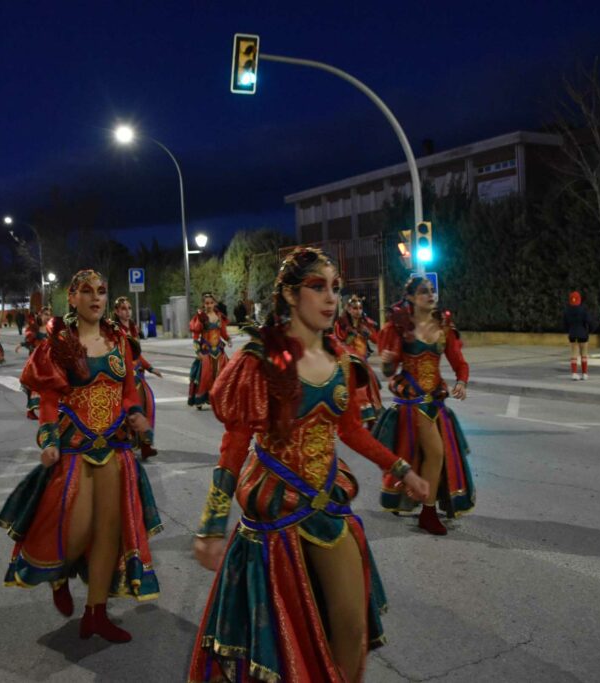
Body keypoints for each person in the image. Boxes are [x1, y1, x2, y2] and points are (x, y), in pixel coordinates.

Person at [189, 247, 428, 683]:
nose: (331, 297)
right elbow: (234, 446)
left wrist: (401, 469)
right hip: (275, 514)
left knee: (352, 627)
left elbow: (351, 431)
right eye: (318, 287)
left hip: (329, 505)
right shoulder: (262, 359)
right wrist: (211, 524)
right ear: (289, 294)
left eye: (335, 287)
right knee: (282, 645)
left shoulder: (342, 360)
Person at [0, 270, 161, 644]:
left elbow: (128, 391)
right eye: (87, 291)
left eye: (101, 291)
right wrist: (49, 440)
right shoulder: (59, 345)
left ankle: (96, 614)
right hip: (75, 449)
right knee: (79, 530)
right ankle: (58, 573)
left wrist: (136, 414)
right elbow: (48, 401)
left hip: (115, 448)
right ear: (72, 298)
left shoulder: (119, 340)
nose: (96, 298)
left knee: (108, 533)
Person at [374, 275, 474, 534]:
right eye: (423, 291)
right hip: (412, 403)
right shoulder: (401, 328)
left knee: (426, 456)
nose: (430, 295)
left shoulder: (444, 328)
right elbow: (389, 371)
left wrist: (462, 382)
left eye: (432, 290)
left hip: (435, 404)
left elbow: (459, 362)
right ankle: (427, 515)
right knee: (436, 453)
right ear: (410, 297)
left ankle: (413, 499)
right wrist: (387, 361)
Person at [113, 296, 162, 459]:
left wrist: (150, 368)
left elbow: (137, 355)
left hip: (137, 374)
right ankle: (125, 444)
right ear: (116, 311)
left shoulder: (133, 328)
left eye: (129, 308)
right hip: (123, 375)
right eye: (123, 309)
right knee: (125, 411)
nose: (127, 312)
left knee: (148, 402)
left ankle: (146, 444)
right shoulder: (113, 330)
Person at [333, 294, 384, 424]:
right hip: (348, 364)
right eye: (355, 308)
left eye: (360, 308)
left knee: (370, 389)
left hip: (363, 363)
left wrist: (368, 332)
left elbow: (376, 339)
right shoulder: (341, 325)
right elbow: (339, 343)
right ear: (348, 309)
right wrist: (351, 335)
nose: (358, 311)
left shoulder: (365, 323)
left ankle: (370, 419)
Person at [188, 292, 231, 410]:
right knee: (205, 376)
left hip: (219, 351)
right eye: (207, 303)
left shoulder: (219, 316)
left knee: (222, 374)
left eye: (211, 303)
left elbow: (223, 332)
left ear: (214, 303)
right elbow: (196, 337)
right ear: (203, 304)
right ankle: (200, 399)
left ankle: (219, 398)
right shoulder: (200, 318)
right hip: (206, 351)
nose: (209, 305)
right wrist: (198, 352)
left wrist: (228, 339)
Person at [17, 309, 50, 420]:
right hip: (35, 362)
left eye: (49, 315)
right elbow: (29, 341)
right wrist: (21, 344)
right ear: (40, 315)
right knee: (32, 385)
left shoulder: (52, 328)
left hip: (49, 361)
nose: (47, 317)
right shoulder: (34, 328)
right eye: (45, 314)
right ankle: (30, 410)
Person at [563, 290, 594, 380]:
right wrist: (591, 330)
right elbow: (589, 321)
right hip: (583, 334)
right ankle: (584, 374)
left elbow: (565, 324)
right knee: (584, 354)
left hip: (572, 334)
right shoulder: (583, 310)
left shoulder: (567, 311)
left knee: (574, 354)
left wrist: (568, 331)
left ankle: (574, 373)